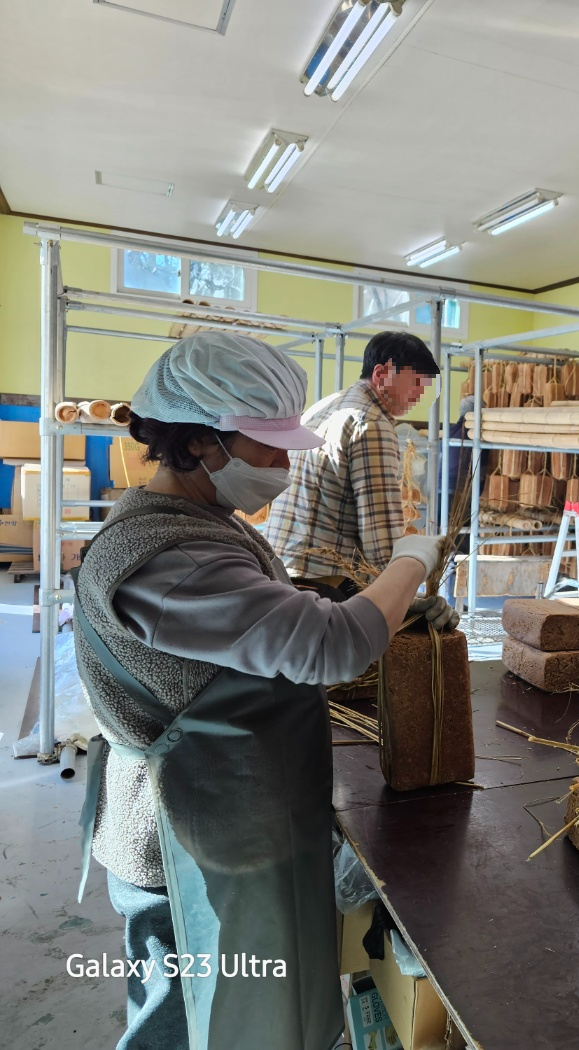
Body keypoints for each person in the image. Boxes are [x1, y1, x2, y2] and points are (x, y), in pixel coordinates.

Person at [73, 332, 450, 1049]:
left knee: (239, 1014)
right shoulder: (164, 558)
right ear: (200, 442)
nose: (284, 463)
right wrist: (407, 563)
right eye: (266, 447)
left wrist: (385, 603)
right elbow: (329, 646)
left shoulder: (199, 520)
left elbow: (263, 608)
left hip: (223, 819)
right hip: (179, 839)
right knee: (182, 1019)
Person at [265, 330, 456, 630]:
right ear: (381, 374)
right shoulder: (371, 423)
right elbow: (381, 543)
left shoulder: (324, 406)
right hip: (325, 586)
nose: (420, 393)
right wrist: (407, 587)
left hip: (280, 573)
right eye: (416, 382)